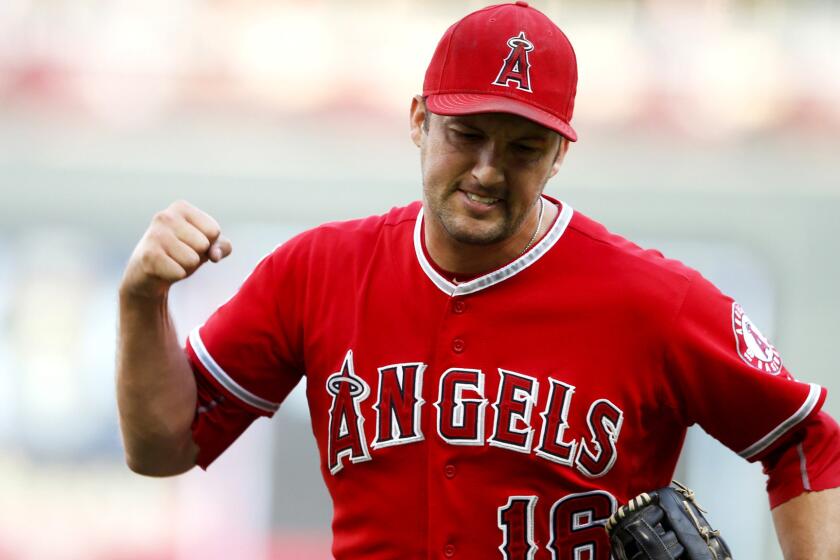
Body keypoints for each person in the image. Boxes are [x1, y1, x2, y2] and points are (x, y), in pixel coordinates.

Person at [116, 2, 840, 558]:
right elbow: (162, 447)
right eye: (467, 135)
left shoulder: (653, 302)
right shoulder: (316, 272)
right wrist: (142, 300)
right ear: (418, 122)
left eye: (523, 147)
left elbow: (806, 438)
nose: (489, 170)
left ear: (558, 155)